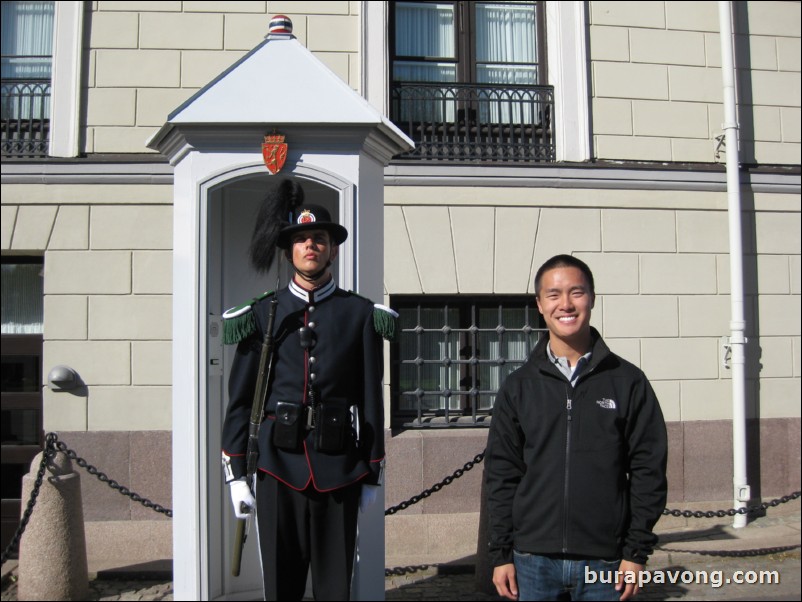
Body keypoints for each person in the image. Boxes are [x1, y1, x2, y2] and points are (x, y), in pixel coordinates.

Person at [221, 179, 393, 601]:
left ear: (332, 248)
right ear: (289, 251)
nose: (310, 246)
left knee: (336, 586)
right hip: (278, 465)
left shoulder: (360, 314)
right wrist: (236, 474)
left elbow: (372, 398)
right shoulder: (263, 313)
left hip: (340, 466)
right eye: (301, 239)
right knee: (282, 584)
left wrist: (371, 471)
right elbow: (242, 399)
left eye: (318, 238)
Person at [485, 254, 667, 601]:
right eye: (553, 295)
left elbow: (648, 470)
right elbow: (501, 475)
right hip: (531, 561)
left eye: (576, 292)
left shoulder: (628, 382)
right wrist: (501, 554)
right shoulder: (519, 387)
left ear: (592, 298)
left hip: (604, 562)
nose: (565, 304)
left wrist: (635, 552)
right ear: (539, 304)